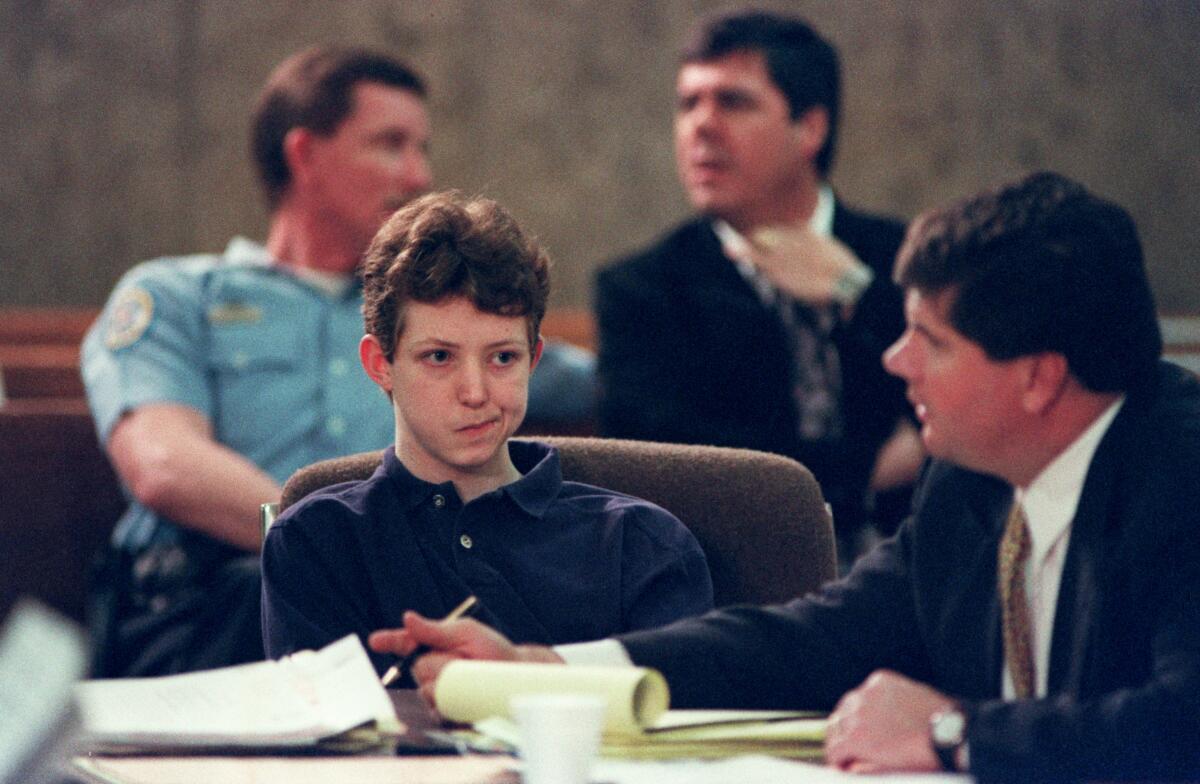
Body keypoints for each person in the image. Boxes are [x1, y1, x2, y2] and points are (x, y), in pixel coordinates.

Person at [376, 173, 1200, 781]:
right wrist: (543, 668)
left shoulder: (1180, 474)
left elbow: (1182, 726)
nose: (894, 360)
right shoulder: (975, 477)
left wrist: (956, 733)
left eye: (932, 343)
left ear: (1039, 378)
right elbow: (816, 638)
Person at [82, 46, 591, 677]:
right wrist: (325, 547)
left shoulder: (440, 316)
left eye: (423, 148)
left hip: (399, 605)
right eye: (390, 144)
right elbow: (164, 465)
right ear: (305, 155)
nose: (416, 174)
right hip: (213, 599)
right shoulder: (178, 295)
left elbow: (605, 383)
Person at [261, 192, 713, 681]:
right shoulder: (318, 541)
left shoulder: (642, 544)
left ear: (534, 360)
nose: (475, 393)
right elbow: (323, 745)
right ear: (380, 365)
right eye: (439, 357)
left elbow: (681, 729)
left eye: (502, 358)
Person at [595, 10, 921, 552]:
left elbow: (965, 417)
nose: (701, 124)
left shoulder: (904, 258)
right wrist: (870, 468)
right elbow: (672, 468)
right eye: (688, 103)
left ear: (810, 128)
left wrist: (855, 293)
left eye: (733, 101)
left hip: (916, 567)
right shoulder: (642, 289)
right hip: (736, 577)